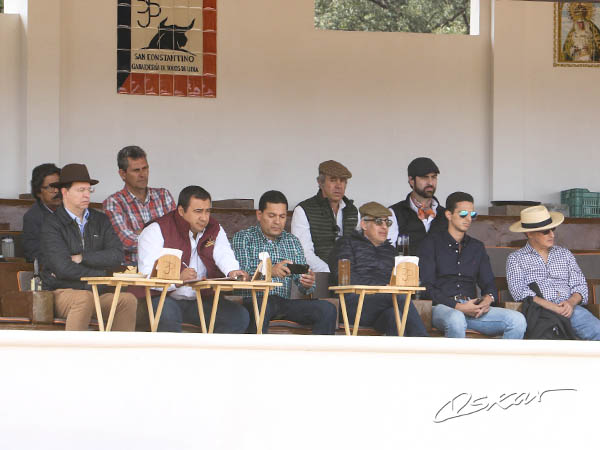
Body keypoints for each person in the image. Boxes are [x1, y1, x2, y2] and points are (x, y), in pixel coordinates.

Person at [137, 185, 250, 333]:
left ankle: (209, 349)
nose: (204, 218)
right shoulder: (156, 230)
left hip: (200, 300)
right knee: (166, 314)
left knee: (238, 316)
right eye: (198, 211)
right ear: (181, 211)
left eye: (207, 211)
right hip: (163, 298)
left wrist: (233, 271)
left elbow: (223, 253)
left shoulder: (214, 228)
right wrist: (177, 279)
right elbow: (146, 276)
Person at [40, 164, 137, 331]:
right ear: (65, 192)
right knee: (83, 298)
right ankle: (74, 349)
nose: (87, 194)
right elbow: (63, 268)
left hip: (95, 292)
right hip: (60, 292)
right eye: (80, 190)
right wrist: (102, 274)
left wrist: (82, 258)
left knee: (127, 300)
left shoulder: (100, 220)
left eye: (88, 190)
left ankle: (118, 349)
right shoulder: (52, 224)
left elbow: (116, 255)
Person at [419, 192, 526, 339]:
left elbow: (489, 284)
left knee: (517, 320)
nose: (468, 219)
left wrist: (487, 300)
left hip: (473, 308)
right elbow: (427, 288)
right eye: (463, 214)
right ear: (449, 215)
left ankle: (500, 356)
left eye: (472, 214)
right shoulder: (431, 243)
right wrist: (459, 307)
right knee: (456, 319)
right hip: (443, 308)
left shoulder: (476, 247)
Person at [232, 190, 337, 334]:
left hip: (283, 302)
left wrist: (308, 282)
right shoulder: (243, 238)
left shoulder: (292, 241)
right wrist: (270, 272)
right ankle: (256, 349)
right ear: (259, 215)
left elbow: (304, 286)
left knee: (327, 309)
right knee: (261, 307)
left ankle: (315, 349)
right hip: (255, 300)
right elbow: (241, 277)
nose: (277, 221)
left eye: (282, 216)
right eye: (271, 216)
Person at [329, 202, 428, 337]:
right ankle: (423, 340)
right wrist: (383, 287)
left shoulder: (391, 251)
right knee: (398, 296)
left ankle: (400, 351)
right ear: (364, 224)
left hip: (383, 307)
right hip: (354, 305)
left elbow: (397, 280)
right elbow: (345, 278)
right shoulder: (346, 244)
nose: (384, 227)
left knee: (395, 316)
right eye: (378, 222)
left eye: (387, 222)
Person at [506, 205, 600, 340]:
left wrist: (570, 303)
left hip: (570, 310)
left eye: (553, 229)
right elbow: (519, 291)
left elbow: (580, 285)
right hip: (539, 312)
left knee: (597, 331)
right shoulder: (516, 258)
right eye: (546, 231)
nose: (552, 235)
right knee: (548, 342)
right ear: (529, 233)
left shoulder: (565, 254)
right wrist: (552, 307)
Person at [103, 145, 175, 265]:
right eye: (136, 170)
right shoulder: (114, 203)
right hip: (132, 270)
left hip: (166, 267)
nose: (142, 174)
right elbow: (126, 242)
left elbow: (177, 234)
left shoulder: (163, 195)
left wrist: (141, 233)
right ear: (123, 174)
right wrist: (161, 234)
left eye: (145, 168)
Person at [291, 160, 358, 273]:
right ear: (320, 182)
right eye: (333, 180)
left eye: (342, 181)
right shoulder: (303, 210)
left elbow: (359, 248)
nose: (338, 186)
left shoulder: (353, 211)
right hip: (318, 276)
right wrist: (329, 272)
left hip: (350, 276)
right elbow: (304, 253)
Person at [388, 157, 447, 256]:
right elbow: (387, 252)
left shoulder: (447, 215)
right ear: (411, 180)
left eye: (433, 177)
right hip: (407, 266)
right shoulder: (393, 213)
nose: (430, 182)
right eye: (424, 177)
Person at [23, 163, 62, 262]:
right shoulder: (32, 217)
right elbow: (33, 255)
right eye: (50, 187)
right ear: (38, 192)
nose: (56, 191)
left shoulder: (71, 210)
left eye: (58, 186)